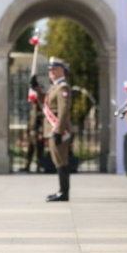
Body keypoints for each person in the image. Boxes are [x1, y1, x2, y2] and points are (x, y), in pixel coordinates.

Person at [44, 58, 72, 202]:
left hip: (59, 130)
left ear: (62, 70)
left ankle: (64, 192)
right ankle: (61, 190)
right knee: (58, 161)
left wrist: (59, 131)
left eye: (54, 69)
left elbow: (63, 111)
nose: (51, 72)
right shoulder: (53, 87)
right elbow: (47, 107)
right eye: (50, 70)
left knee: (61, 161)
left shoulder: (62, 88)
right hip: (53, 128)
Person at [22, 75, 45, 172]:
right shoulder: (32, 110)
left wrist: (41, 133)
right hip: (31, 132)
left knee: (39, 151)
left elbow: (43, 122)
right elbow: (29, 121)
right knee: (30, 150)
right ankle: (27, 166)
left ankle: (38, 167)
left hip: (37, 133)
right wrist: (26, 132)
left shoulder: (41, 110)